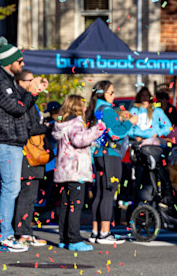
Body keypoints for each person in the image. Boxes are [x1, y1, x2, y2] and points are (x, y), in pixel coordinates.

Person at [0, 37, 35, 252]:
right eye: (20, 61)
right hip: (5, 139)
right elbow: (16, 107)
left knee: (4, 188)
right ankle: (5, 236)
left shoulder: (6, 80)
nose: (22, 65)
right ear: (10, 62)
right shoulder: (0, 81)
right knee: (11, 188)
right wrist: (31, 93)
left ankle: (1, 235)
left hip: (9, 139)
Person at [52, 94, 106, 251]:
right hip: (76, 170)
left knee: (66, 204)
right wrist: (98, 129)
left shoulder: (63, 123)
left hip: (64, 171)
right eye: (83, 105)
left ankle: (64, 238)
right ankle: (74, 239)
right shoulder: (76, 122)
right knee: (75, 204)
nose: (85, 108)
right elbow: (79, 140)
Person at [86, 80, 133, 244]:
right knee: (108, 193)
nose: (114, 96)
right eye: (111, 92)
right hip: (110, 154)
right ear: (102, 94)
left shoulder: (94, 110)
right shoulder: (107, 110)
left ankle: (95, 231)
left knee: (99, 193)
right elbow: (115, 133)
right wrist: (129, 123)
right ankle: (105, 233)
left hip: (98, 154)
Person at [13, 71, 49, 247]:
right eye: (30, 81)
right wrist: (46, 127)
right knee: (26, 195)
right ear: (21, 82)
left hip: (31, 154)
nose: (34, 83)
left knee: (29, 195)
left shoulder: (29, 100)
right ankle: (22, 232)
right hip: (28, 154)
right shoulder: (22, 101)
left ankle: (24, 231)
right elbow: (29, 127)